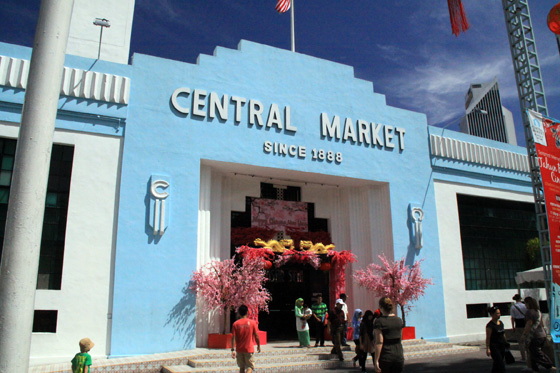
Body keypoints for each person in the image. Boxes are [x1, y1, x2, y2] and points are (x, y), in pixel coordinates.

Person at [522, 297, 554, 372]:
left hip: (534, 335)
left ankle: (549, 365)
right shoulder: (538, 312)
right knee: (533, 353)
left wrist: (524, 334)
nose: (525, 305)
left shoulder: (529, 312)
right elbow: (542, 323)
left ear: (528, 303)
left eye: (525, 303)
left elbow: (529, 324)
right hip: (541, 334)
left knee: (536, 352)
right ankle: (534, 368)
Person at [374, 297, 404, 373]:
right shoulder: (399, 320)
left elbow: (379, 342)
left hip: (386, 355)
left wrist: (376, 360)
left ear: (381, 307)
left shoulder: (379, 322)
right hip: (398, 354)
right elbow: (400, 337)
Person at [231, 304, 261, 373]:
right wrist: (258, 346)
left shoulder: (235, 324)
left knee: (241, 367)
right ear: (247, 312)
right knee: (250, 366)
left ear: (239, 313)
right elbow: (256, 336)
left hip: (239, 349)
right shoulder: (252, 323)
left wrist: (233, 349)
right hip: (249, 349)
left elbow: (233, 337)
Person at [486, 306, 508, 373]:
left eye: (499, 313)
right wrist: (488, 348)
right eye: (497, 313)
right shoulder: (490, 325)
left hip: (502, 346)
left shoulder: (501, 323)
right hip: (494, 347)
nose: (499, 315)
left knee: (496, 364)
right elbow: (488, 337)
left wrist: (506, 342)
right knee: (500, 363)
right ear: (492, 314)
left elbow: (503, 333)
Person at [510, 294, 527, 362]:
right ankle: (528, 355)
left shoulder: (513, 307)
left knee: (520, 342)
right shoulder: (524, 306)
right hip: (525, 323)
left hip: (518, 324)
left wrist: (513, 327)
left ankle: (523, 356)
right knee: (527, 340)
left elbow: (512, 318)